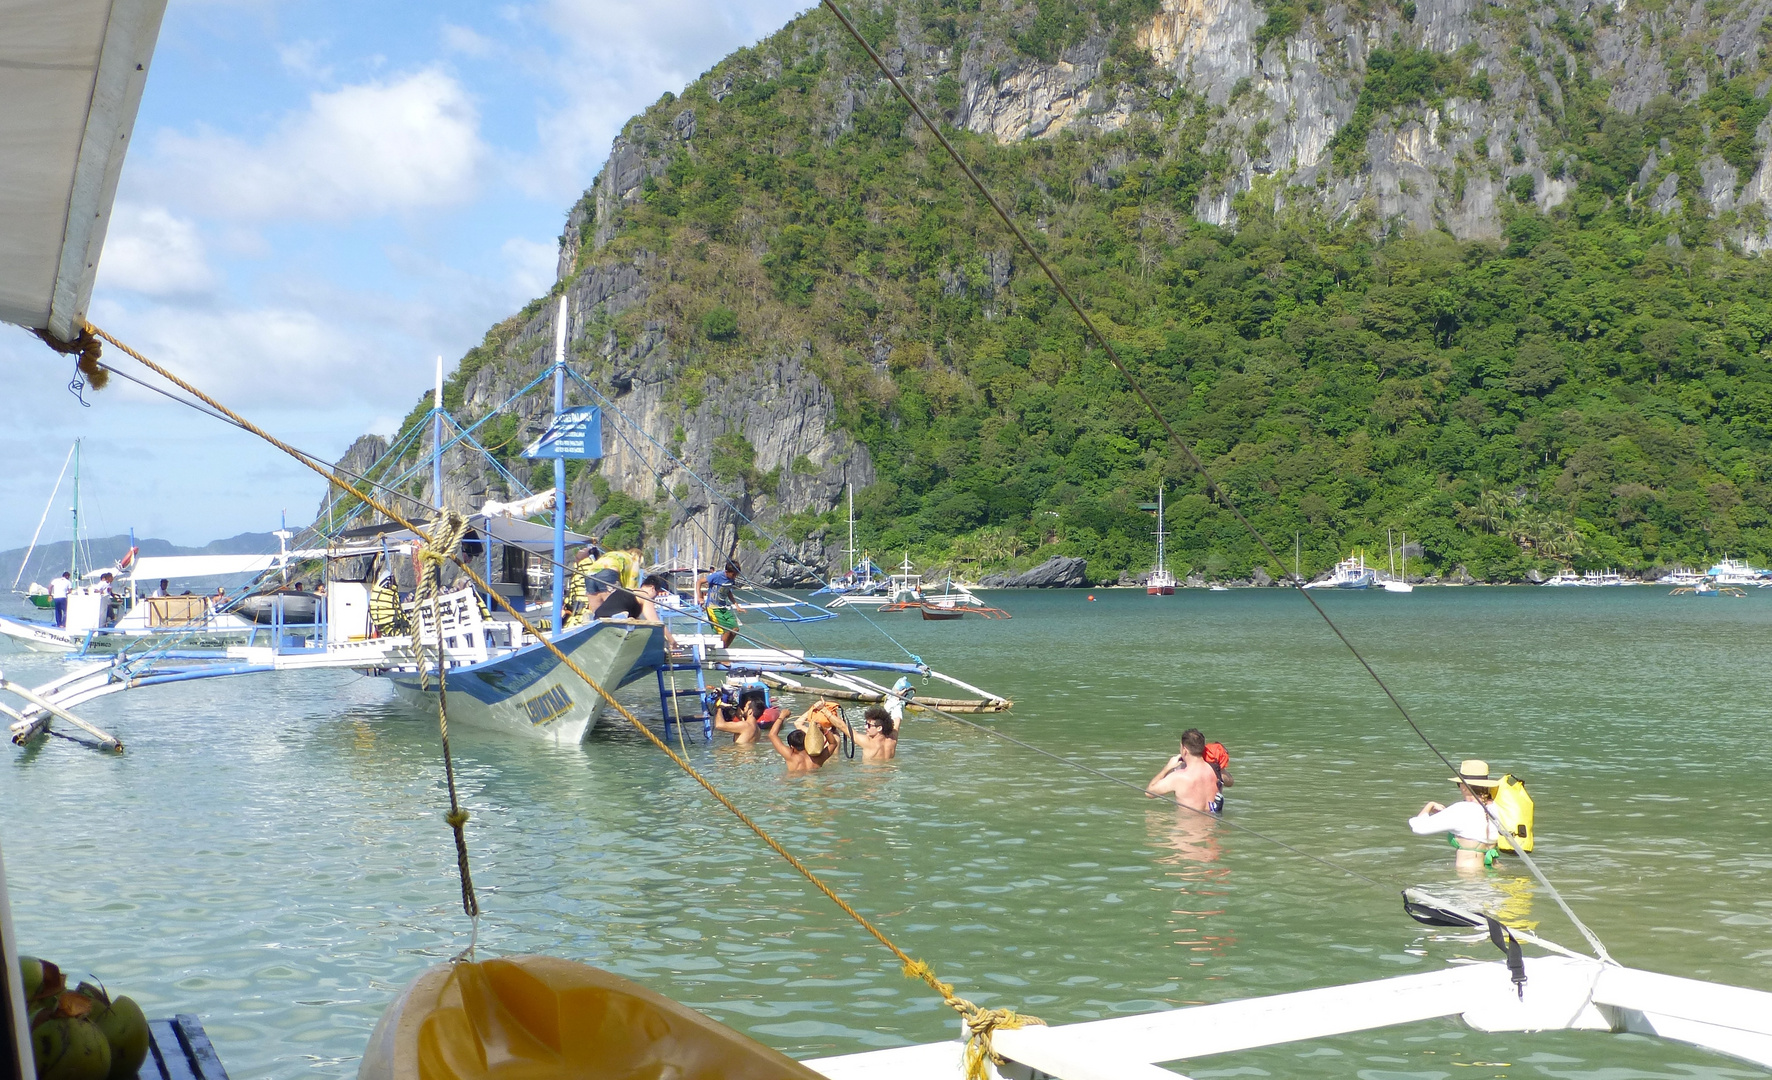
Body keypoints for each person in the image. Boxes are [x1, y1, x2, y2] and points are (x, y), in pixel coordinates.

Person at [1409, 759, 1503, 871]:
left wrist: (1430, 805)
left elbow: (1418, 828)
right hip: (1494, 870)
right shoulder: (1496, 807)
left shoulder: (1460, 810)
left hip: (1469, 876)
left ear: (1463, 786)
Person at [589, 573, 677, 646]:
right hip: (613, 624)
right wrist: (672, 641)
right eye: (657, 594)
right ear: (652, 588)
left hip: (598, 621)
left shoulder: (626, 590)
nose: (655, 598)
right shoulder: (644, 596)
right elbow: (656, 622)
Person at [1146, 728, 1220, 813]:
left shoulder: (1178, 777)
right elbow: (1230, 782)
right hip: (1212, 824)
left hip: (1187, 825)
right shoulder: (1216, 770)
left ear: (1184, 750)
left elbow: (1149, 793)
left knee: (1151, 818)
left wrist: (1167, 768)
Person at [765, 709, 835, 773]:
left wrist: (782, 716)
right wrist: (823, 729)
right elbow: (833, 744)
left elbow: (772, 735)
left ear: (792, 747)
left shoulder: (790, 756)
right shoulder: (819, 757)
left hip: (794, 783)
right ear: (807, 741)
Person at [701, 559, 742, 648]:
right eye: (733, 574)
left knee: (735, 629)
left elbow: (728, 592)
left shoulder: (731, 579)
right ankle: (722, 654)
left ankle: (724, 650)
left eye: (736, 575)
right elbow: (699, 582)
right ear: (727, 572)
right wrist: (700, 598)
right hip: (713, 607)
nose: (734, 577)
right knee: (726, 631)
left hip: (722, 607)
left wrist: (736, 605)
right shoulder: (717, 576)